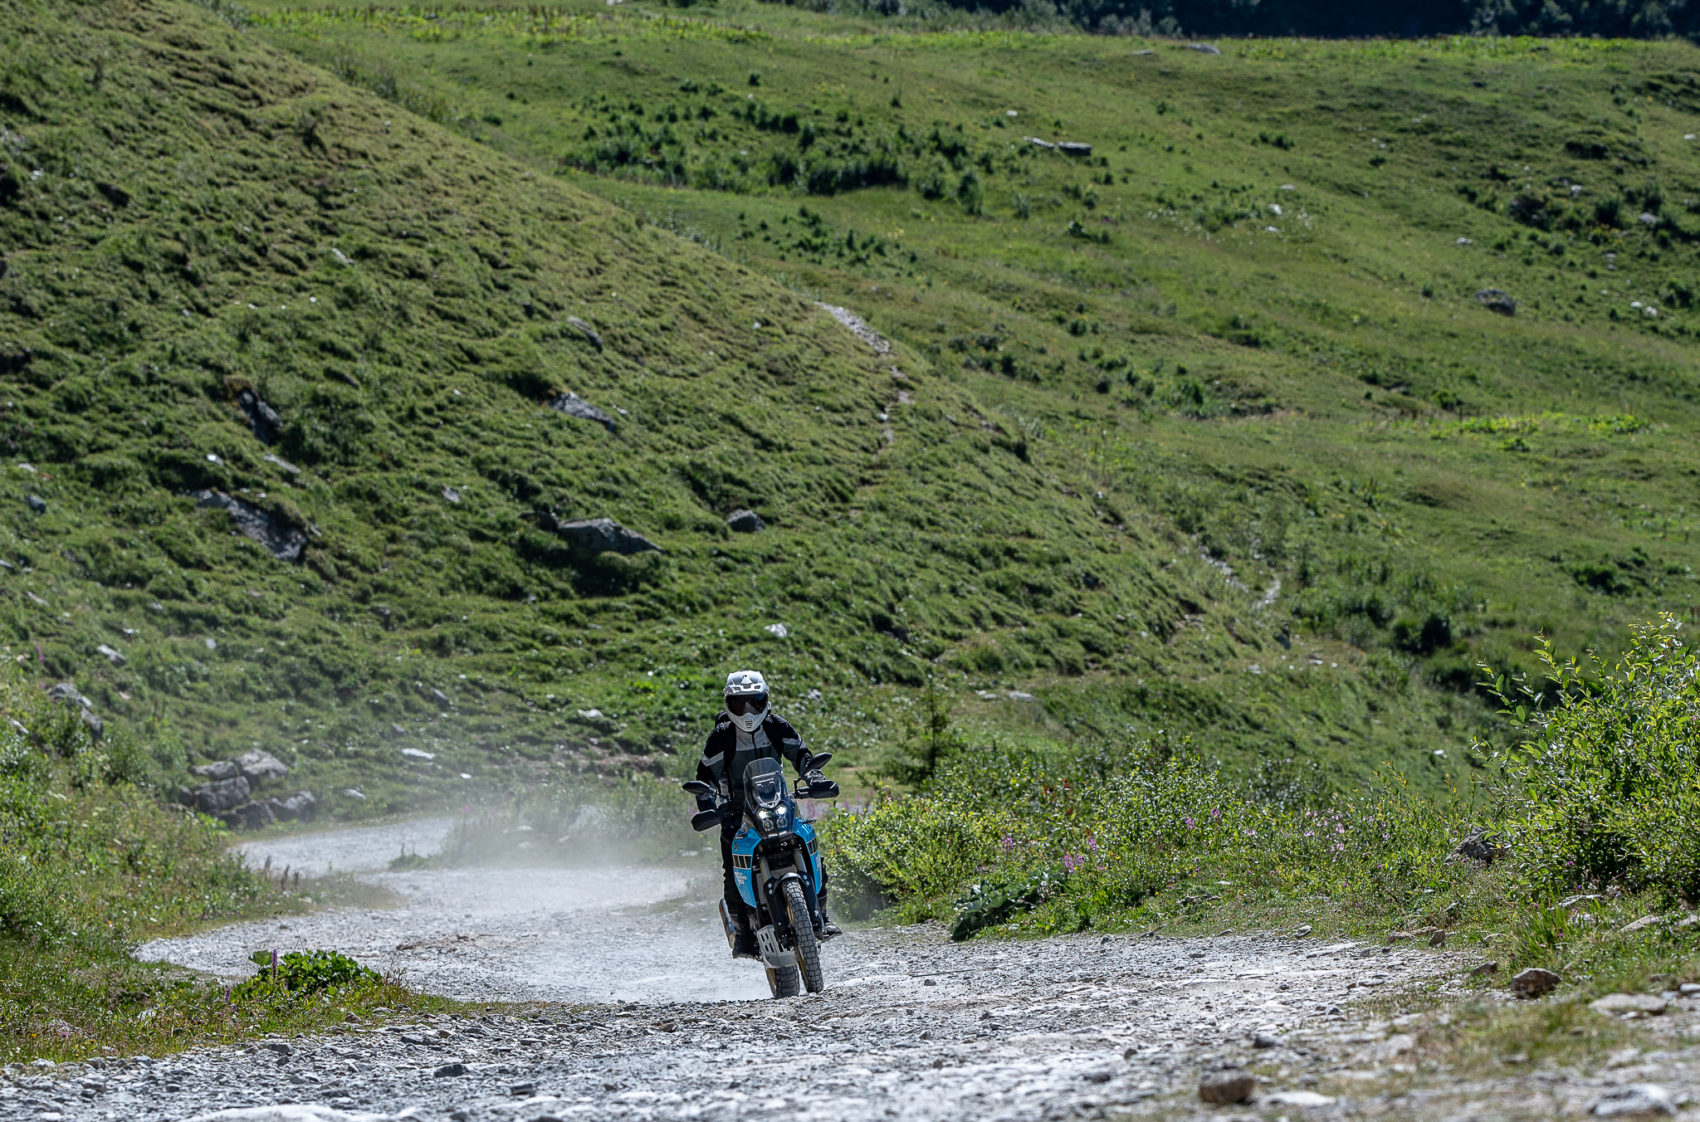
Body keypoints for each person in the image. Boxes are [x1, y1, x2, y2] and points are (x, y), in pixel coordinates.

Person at [695, 669, 840, 957]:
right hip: (738, 813)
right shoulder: (721, 736)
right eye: (739, 704)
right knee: (731, 871)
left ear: (765, 700)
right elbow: (704, 778)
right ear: (728, 704)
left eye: (754, 703)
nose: (748, 711)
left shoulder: (776, 726)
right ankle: (742, 934)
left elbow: (802, 755)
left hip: (778, 803)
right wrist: (708, 805)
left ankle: (822, 914)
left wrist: (814, 778)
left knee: (811, 848)